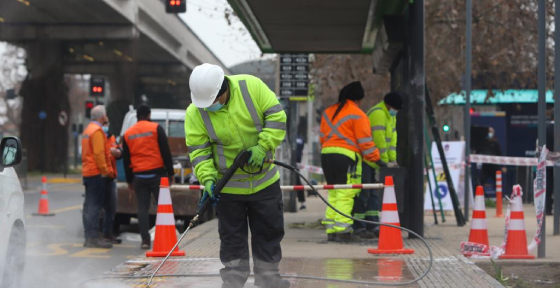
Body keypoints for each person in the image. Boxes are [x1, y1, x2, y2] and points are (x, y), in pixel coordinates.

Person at [185, 63, 288, 288]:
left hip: (264, 184)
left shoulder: (252, 87)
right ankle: (233, 282)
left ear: (223, 91)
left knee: (268, 235)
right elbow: (199, 152)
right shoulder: (195, 112)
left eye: (211, 101)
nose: (207, 107)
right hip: (228, 189)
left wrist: (263, 147)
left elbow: (277, 117)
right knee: (232, 242)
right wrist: (208, 179)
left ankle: (268, 281)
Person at [320, 81, 385, 242]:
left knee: (333, 192)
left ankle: (331, 230)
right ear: (358, 100)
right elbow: (365, 143)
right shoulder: (358, 114)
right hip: (346, 157)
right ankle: (342, 231)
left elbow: (322, 137)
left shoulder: (327, 112)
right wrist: (377, 159)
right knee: (345, 193)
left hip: (326, 154)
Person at [123, 105, 175, 249]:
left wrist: (129, 181)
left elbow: (126, 160)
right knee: (163, 207)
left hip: (139, 176)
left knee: (142, 208)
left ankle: (145, 240)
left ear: (137, 117)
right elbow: (166, 152)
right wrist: (170, 173)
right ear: (149, 115)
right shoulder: (156, 128)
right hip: (157, 174)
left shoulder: (128, 134)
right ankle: (166, 238)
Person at [354, 92, 403, 237]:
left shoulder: (390, 116)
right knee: (364, 193)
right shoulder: (378, 114)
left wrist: (392, 159)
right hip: (368, 160)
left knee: (373, 194)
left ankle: (372, 224)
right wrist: (385, 161)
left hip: (377, 162)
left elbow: (392, 140)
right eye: (395, 108)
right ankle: (359, 225)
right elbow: (379, 141)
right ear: (388, 105)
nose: (396, 111)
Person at [81, 105, 114, 248]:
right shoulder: (97, 131)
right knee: (95, 206)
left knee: (88, 205)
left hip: (88, 171)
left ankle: (89, 236)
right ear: (102, 116)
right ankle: (94, 237)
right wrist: (105, 171)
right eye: (105, 115)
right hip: (96, 173)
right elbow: (99, 154)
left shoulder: (87, 129)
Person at [102, 122, 123, 244]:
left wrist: (118, 152)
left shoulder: (111, 136)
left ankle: (108, 234)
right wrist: (111, 152)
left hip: (111, 175)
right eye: (104, 123)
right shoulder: (98, 135)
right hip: (101, 174)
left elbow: (118, 149)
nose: (106, 125)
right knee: (96, 207)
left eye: (107, 123)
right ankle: (96, 235)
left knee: (111, 207)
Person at [477, 127, 505, 198]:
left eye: (491, 132)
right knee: (480, 182)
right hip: (485, 167)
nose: (490, 133)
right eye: (488, 132)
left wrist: (503, 166)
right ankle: (481, 198)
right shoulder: (483, 142)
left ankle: (499, 198)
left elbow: (500, 154)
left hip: (494, 167)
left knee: (499, 182)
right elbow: (477, 152)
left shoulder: (496, 142)